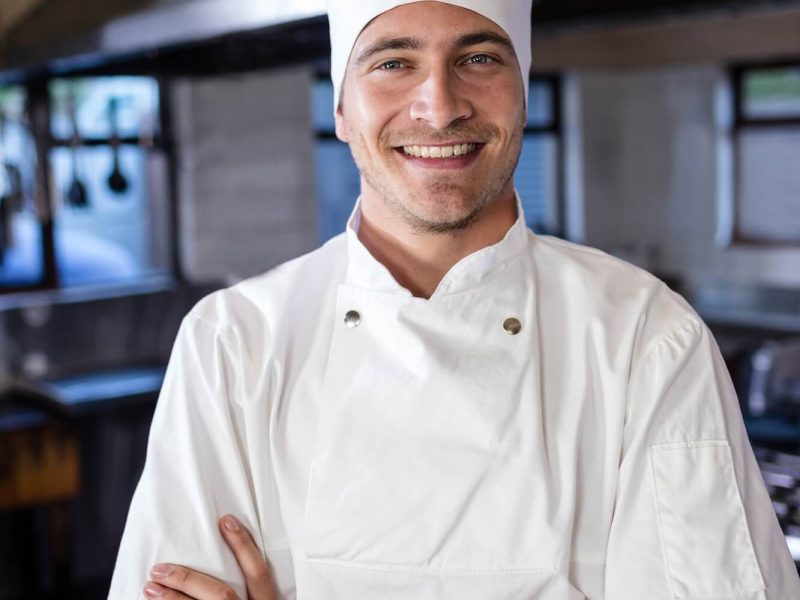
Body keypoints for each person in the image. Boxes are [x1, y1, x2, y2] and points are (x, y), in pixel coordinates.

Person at [109, 1, 800, 598]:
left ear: (522, 95)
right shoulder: (233, 343)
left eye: (478, 59)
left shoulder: (646, 338)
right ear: (342, 111)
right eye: (392, 63)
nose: (439, 106)